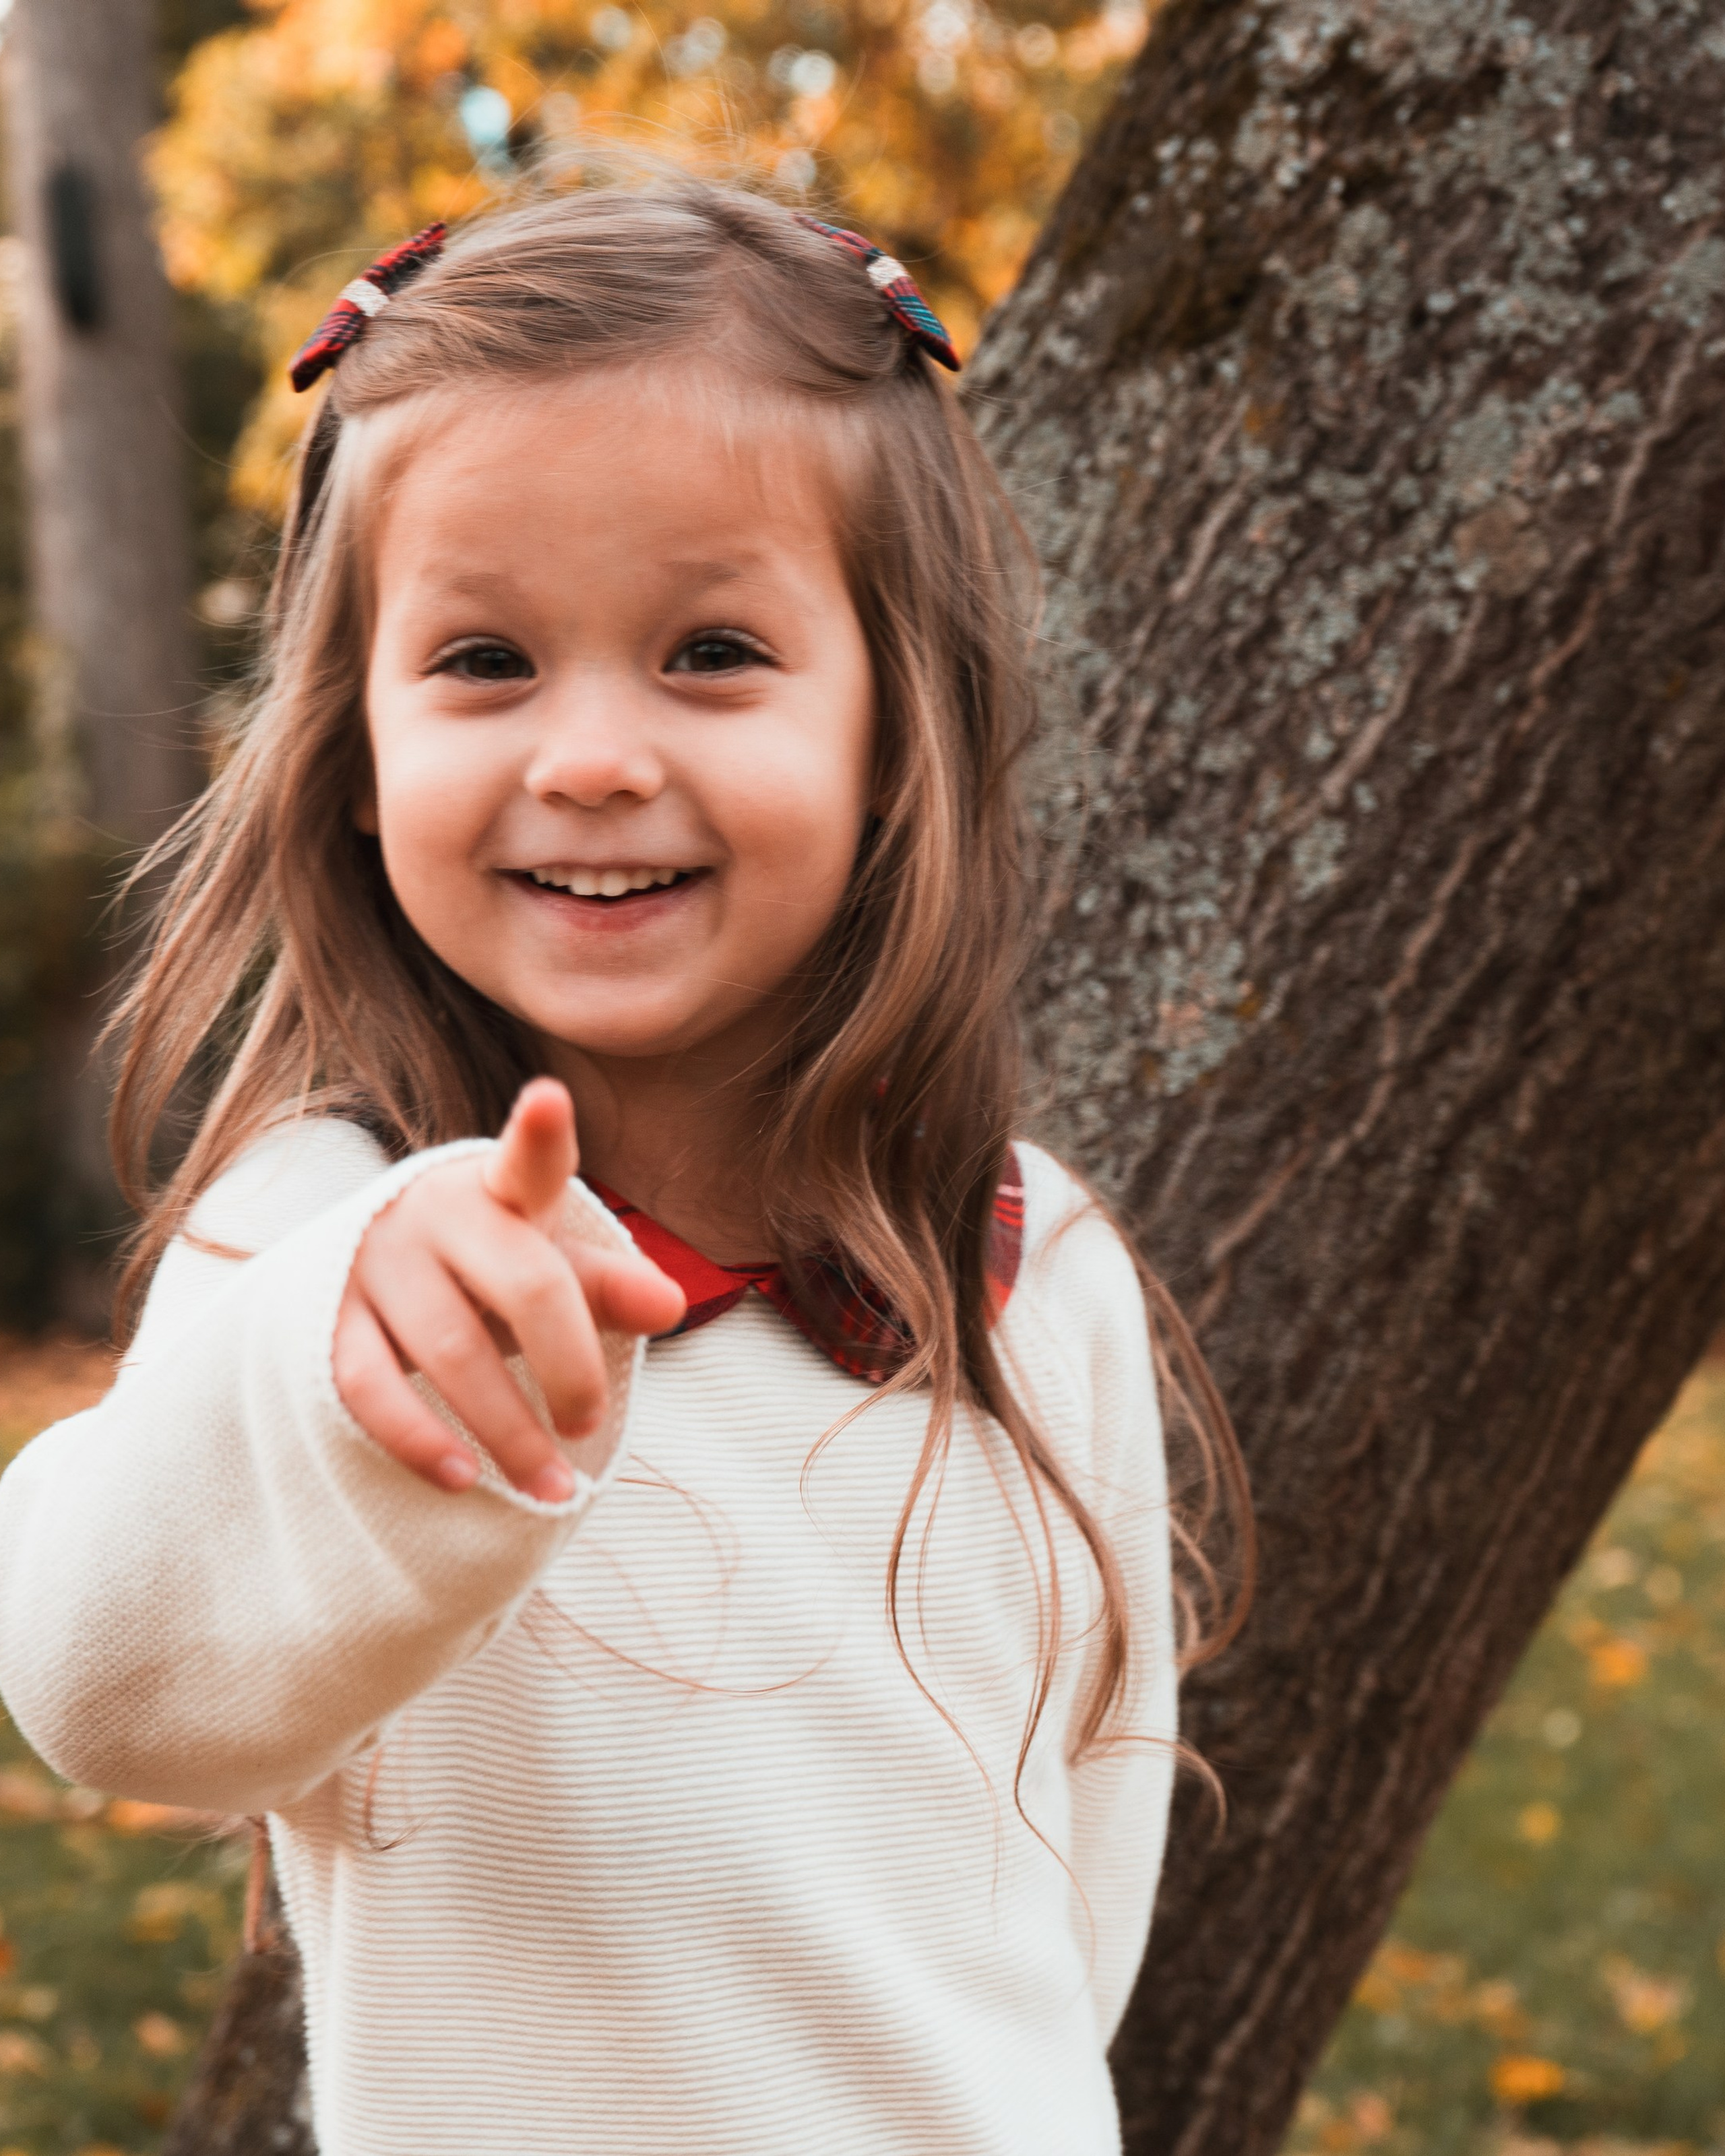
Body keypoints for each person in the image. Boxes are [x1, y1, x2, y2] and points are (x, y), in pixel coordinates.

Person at [0, 179, 1249, 2156]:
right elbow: (99, 1683)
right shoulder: (324, 1226)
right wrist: (352, 1381)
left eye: (711, 652)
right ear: (351, 748)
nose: (588, 753)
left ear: (891, 735)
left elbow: (1075, 1904)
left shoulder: (1029, 1267)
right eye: (486, 659)